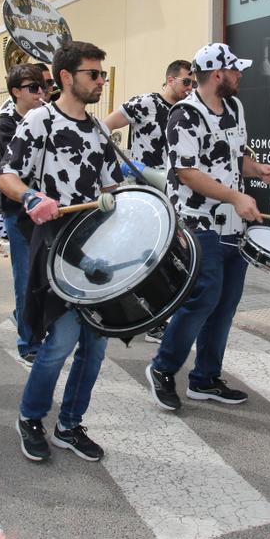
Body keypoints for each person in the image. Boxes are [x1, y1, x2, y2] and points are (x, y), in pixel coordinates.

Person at [0, 41, 124, 463]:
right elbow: (5, 175)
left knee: (96, 344)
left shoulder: (99, 130)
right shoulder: (41, 120)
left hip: (94, 247)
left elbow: (110, 186)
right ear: (67, 77)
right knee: (61, 341)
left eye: (102, 74)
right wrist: (31, 197)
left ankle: (69, 424)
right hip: (56, 245)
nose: (101, 81)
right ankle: (31, 417)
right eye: (94, 74)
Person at [145, 43, 270, 412]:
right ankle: (162, 368)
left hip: (233, 223)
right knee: (203, 297)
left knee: (226, 302)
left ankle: (205, 379)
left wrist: (257, 170)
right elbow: (187, 172)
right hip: (196, 221)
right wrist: (236, 196)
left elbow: (237, 157)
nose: (240, 75)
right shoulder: (184, 115)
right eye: (236, 70)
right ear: (218, 74)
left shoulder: (234, 108)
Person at [101, 58, 195, 343]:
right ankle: (149, 318)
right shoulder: (145, 103)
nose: (190, 87)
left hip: (174, 189)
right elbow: (104, 128)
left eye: (193, 82)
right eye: (186, 81)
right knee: (146, 254)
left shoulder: (188, 110)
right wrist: (121, 165)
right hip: (145, 192)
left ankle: (162, 313)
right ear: (170, 80)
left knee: (172, 254)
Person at [0, 62, 49, 366]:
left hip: (51, 209)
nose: (42, 92)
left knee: (47, 275)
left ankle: (26, 316)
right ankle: (28, 341)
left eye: (45, 87)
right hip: (20, 211)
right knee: (26, 278)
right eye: (34, 88)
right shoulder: (7, 123)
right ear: (16, 92)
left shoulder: (50, 117)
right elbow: (18, 164)